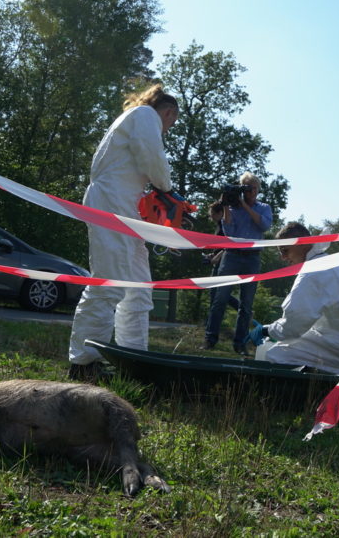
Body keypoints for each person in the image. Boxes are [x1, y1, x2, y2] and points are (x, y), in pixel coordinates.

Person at [67, 84, 179, 381]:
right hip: (112, 205)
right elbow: (152, 159)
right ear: (169, 112)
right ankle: (84, 363)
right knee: (108, 283)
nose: (168, 129)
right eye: (172, 123)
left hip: (126, 210)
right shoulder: (145, 115)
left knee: (138, 288)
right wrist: (168, 190)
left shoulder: (136, 118)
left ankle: (133, 360)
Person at [246, 222, 339, 374]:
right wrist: (275, 331)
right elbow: (304, 321)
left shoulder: (313, 272)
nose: (283, 257)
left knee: (276, 355)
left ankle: (329, 385)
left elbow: (294, 325)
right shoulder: (328, 263)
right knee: (286, 345)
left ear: (302, 244)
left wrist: (267, 330)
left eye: (285, 250)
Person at [200, 172, 273, 355]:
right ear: (241, 189)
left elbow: (264, 225)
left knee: (246, 304)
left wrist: (244, 206)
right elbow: (229, 232)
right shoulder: (232, 209)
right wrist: (226, 205)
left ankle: (240, 344)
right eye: (247, 188)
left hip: (252, 258)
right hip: (232, 255)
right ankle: (210, 339)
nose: (251, 192)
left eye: (254, 188)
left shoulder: (264, 207)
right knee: (220, 299)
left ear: (258, 189)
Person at [204, 201, 239, 313]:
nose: (211, 218)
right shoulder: (219, 226)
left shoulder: (225, 225)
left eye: (212, 215)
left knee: (216, 292)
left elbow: (230, 244)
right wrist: (213, 255)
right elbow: (220, 246)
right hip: (219, 261)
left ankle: (242, 309)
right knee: (216, 292)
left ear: (220, 213)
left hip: (225, 262)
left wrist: (217, 257)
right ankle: (241, 309)